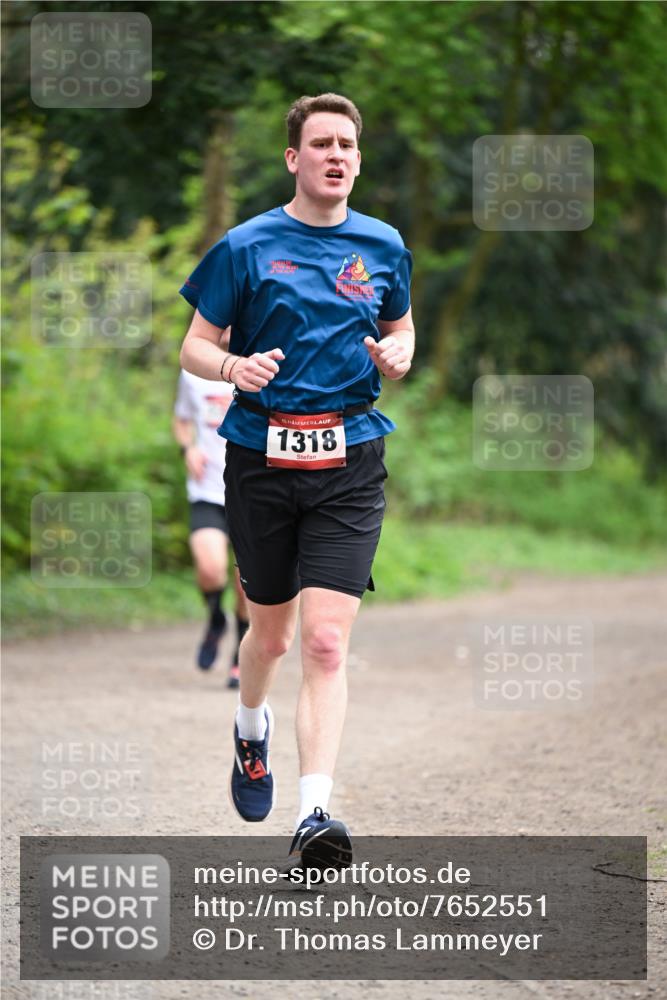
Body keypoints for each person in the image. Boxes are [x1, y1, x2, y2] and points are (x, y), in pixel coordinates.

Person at [179, 93, 414, 872]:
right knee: (271, 633)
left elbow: (400, 325)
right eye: (321, 144)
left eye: (347, 143)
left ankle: (313, 813)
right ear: (294, 158)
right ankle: (251, 732)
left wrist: (399, 353)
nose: (336, 155)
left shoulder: (383, 245)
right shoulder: (246, 247)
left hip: (350, 459)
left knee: (323, 639)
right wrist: (233, 365)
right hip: (261, 458)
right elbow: (193, 346)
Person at [172, 336, 249, 686]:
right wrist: (188, 448)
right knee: (209, 568)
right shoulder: (194, 374)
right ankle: (216, 617)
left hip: (251, 493)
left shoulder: (261, 367)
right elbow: (182, 419)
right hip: (207, 489)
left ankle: (239, 656)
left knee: (247, 588)